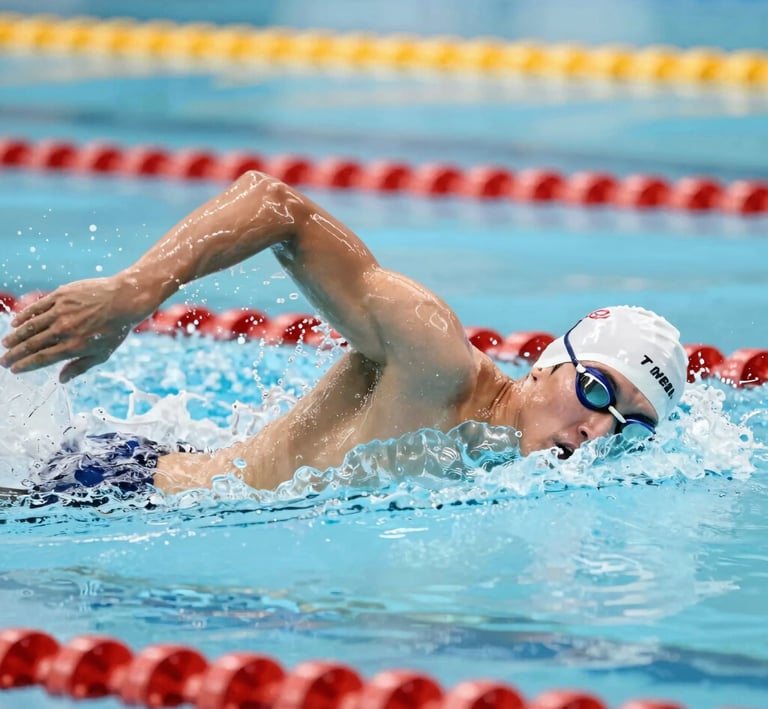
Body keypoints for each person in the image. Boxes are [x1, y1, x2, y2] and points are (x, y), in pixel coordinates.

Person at [0, 171, 688, 501]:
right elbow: (277, 206)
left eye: (631, 426)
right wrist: (134, 293)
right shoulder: (433, 355)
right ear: (545, 365)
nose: (601, 430)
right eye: (598, 389)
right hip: (101, 489)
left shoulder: (500, 461)